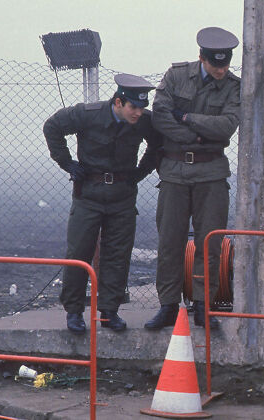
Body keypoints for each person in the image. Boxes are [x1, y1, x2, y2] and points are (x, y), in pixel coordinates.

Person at [43, 73, 161, 334]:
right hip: (89, 195)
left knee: (117, 255)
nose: (138, 113)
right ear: (118, 101)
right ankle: (73, 312)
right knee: (79, 253)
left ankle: (109, 311)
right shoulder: (88, 114)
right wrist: (67, 163)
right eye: (133, 107)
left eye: (142, 108)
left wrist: (139, 173)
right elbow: (52, 127)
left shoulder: (143, 121)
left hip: (122, 196)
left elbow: (157, 145)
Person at [144, 27, 241, 330]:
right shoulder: (175, 76)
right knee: (170, 241)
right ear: (202, 58)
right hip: (174, 172)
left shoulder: (234, 87)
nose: (221, 71)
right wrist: (197, 136)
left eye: (225, 65)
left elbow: (225, 127)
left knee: (209, 243)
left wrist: (185, 117)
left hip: (211, 173)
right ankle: (168, 306)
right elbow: (160, 115)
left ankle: (203, 305)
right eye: (216, 65)